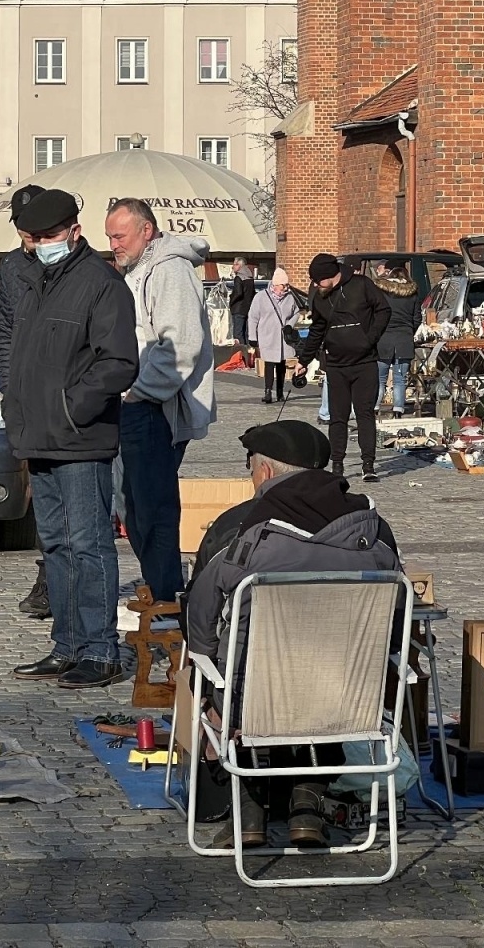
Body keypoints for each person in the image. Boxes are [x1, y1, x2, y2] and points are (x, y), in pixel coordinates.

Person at [184, 419, 402, 849]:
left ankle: (250, 811)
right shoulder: (375, 530)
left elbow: (201, 610)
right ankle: (308, 802)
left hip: (257, 700)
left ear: (264, 472)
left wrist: (207, 671)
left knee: (214, 671)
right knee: (328, 678)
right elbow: (396, 612)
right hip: (350, 696)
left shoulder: (246, 534)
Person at [4, 189, 139, 689]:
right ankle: (66, 645)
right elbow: (18, 350)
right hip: (39, 435)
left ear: (74, 232)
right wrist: (14, 401)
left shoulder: (100, 284)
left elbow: (119, 362)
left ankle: (100, 650)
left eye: (49, 236)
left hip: (80, 437)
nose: (41, 244)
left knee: (89, 544)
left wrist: (72, 406)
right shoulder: (38, 280)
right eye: (34, 238)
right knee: (57, 545)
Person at [105, 197, 216, 606]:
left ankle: (168, 598)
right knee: (134, 507)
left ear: (146, 231)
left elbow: (179, 346)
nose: (114, 244)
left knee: (152, 510)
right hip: (136, 402)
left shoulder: (169, 270)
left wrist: (139, 393)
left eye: (119, 235)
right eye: (110, 237)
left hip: (154, 406)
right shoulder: (137, 271)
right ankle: (162, 589)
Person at [0, 183, 51, 619]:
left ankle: (57, 578)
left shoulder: (69, 266)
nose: (31, 234)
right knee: (42, 492)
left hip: (64, 398)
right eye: (24, 227)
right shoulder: (10, 268)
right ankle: (49, 574)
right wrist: (8, 389)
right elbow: (6, 332)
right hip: (24, 395)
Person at [297, 253, 390, 482]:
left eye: (319, 280)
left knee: (364, 414)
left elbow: (383, 310)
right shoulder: (320, 296)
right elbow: (317, 329)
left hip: (364, 363)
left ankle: (368, 464)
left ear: (331, 275)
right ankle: (336, 465)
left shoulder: (362, 285)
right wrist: (303, 361)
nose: (316, 285)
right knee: (337, 417)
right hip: (336, 365)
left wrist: (370, 338)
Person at [247, 267, 300, 404]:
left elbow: (296, 313)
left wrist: (290, 325)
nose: (286, 287)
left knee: (282, 364)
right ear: (276, 284)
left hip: (282, 338)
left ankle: (280, 392)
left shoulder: (289, 297)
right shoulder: (261, 297)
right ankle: (268, 391)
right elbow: (253, 318)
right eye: (284, 285)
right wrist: (253, 337)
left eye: (287, 284)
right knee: (269, 364)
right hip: (267, 336)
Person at [375, 267, 421, 416]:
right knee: (400, 379)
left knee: (379, 378)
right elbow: (417, 319)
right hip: (404, 340)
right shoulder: (412, 294)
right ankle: (398, 409)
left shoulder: (382, 292)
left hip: (383, 339)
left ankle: (374, 408)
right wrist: (409, 330)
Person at [227, 258, 256, 357]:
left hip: (238, 309)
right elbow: (252, 293)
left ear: (239, 266)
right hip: (248, 308)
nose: (232, 266)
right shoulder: (250, 277)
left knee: (238, 334)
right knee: (247, 333)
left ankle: (240, 357)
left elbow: (238, 293)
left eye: (234, 264)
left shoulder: (239, 278)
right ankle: (250, 354)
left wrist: (231, 300)